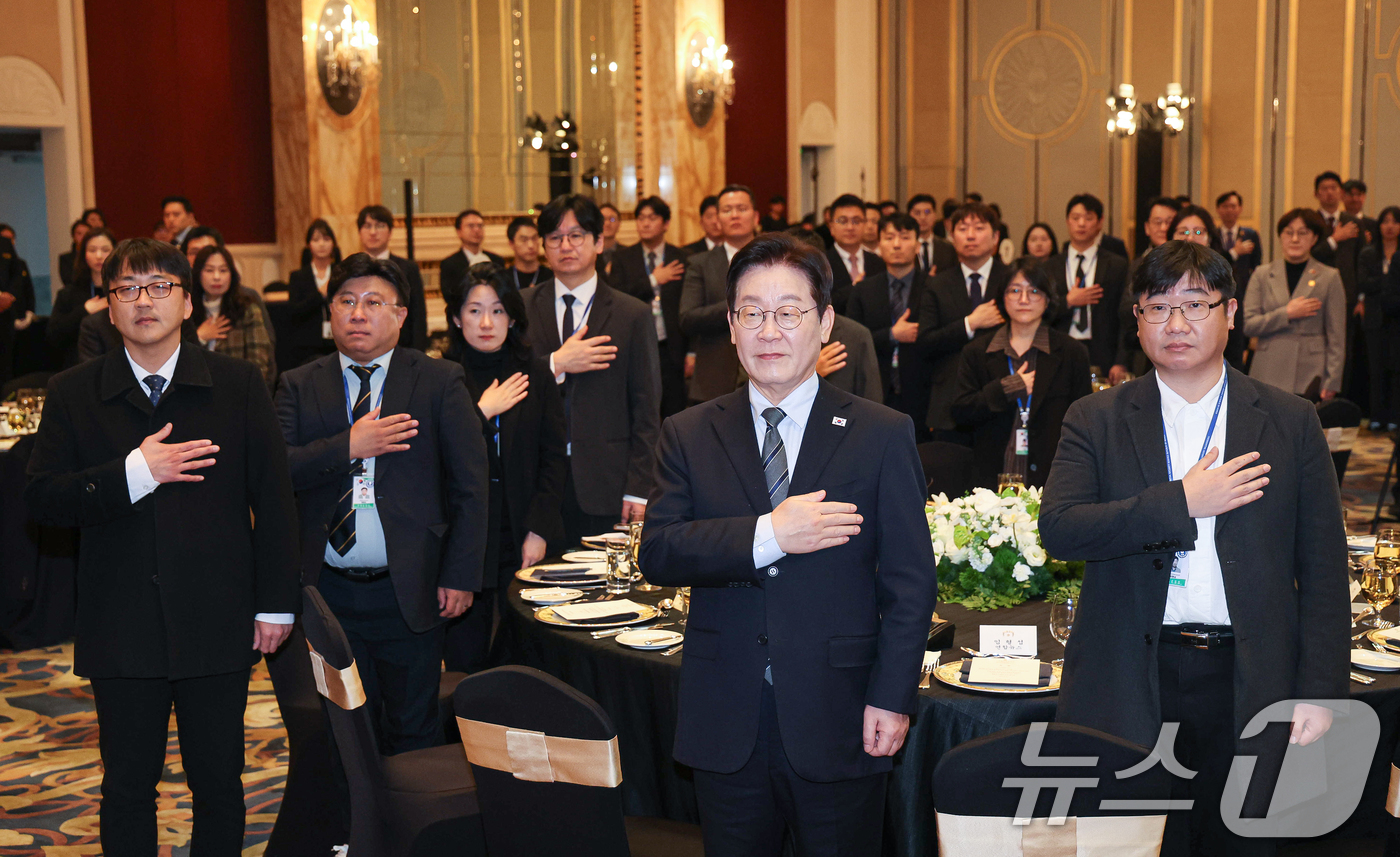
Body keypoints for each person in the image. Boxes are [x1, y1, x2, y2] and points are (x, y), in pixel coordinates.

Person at [1040, 239, 1347, 857]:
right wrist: (1182, 502)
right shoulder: (1095, 418)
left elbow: (1322, 569)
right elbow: (1063, 528)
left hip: (1250, 676)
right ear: (1137, 321)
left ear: (1231, 313)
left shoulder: (1288, 421)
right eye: (1157, 308)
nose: (1175, 324)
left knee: (1242, 841)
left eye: (1195, 305)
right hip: (1131, 675)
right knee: (1133, 844)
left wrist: (1320, 690)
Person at [639, 233, 937, 856]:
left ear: (825, 322)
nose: (769, 330)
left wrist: (891, 695)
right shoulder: (688, 432)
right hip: (727, 718)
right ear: (731, 326)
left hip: (843, 713)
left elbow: (910, 584)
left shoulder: (881, 434)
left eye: (788, 312)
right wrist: (769, 534)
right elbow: (660, 551)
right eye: (751, 313)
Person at [25, 237, 299, 857]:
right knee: (125, 788)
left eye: (157, 287)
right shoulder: (73, 391)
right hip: (119, 622)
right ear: (108, 305)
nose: (142, 301)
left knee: (220, 785)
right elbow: (41, 499)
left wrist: (277, 602)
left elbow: (275, 500)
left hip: (218, 616)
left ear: (187, 302)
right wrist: (133, 473)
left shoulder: (237, 383)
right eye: (126, 289)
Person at [275, 253, 488, 753]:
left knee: (413, 726)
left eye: (373, 302)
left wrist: (460, 574)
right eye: (346, 301)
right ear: (331, 312)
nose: (357, 313)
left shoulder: (439, 381)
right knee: (342, 731)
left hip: (409, 588)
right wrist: (346, 446)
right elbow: (275, 470)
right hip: (327, 593)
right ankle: (353, 831)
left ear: (401, 315)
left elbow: (472, 487)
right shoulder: (300, 384)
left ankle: (410, 832)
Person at [442, 267, 566, 672]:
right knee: (466, 662)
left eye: (496, 311)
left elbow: (552, 459)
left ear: (512, 317)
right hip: (464, 538)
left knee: (526, 658)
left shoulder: (533, 373)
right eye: (474, 310)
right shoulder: (440, 377)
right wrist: (481, 413)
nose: (485, 323)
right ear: (457, 318)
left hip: (521, 531)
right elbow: (434, 459)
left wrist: (539, 528)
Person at [519, 194, 661, 543]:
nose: (565, 245)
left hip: (606, 482)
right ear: (544, 247)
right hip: (534, 482)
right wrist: (557, 363)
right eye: (555, 237)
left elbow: (647, 409)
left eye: (577, 235)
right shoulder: (520, 308)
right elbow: (507, 383)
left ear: (599, 242)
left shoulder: (632, 314)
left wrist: (639, 489)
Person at [951, 257, 1089, 488]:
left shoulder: (1071, 353)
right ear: (1002, 299)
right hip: (990, 477)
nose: (1023, 299)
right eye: (1014, 290)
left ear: (1047, 299)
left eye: (1034, 291)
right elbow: (961, 412)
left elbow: (1085, 422)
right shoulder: (977, 351)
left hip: (1053, 477)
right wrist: (1006, 388)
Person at [916, 201, 1009, 440]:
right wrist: (970, 323)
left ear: (996, 236)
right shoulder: (937, 284)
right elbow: (925, 342)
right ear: (951, 236)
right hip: (950, 402)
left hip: (1003, 398)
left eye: (979, 228)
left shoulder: (1013, 281)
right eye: (963, 229)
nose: (970, 235)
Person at [1242, 208, 1346, 400]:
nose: (1295, 239)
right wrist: (1287, 313)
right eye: (1289, 232)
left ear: (1314, 238)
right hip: (1268, 369)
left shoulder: (1330, 277)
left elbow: (1337, 336)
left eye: (1303, 233)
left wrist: (1332, 380)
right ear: (1281, 236)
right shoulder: (1262, 274)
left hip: (1309, 371)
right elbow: (1249, 325)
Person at [846, 212, 933, 433]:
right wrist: (892, 334)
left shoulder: (934, 288)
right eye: (889, 237)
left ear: (917, 245)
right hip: (875, 391)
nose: (896, 244)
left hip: (923, 392)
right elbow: (852, 344)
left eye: (904, 237)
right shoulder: (863, 291)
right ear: (879, 244)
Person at [610, 196, 690, 417]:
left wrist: (691, 351)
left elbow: (688, 307)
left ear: (665, 224)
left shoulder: (682, 258)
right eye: (641, 218)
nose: (645, 223)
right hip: (635, 346)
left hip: (671, 348)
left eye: (652, 218)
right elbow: (617, 297)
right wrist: (653, 280)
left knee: (673, 411)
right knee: (642, 410)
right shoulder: (623, 258)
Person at [680, 184, 760, 403]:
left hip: (770, 375)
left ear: (755, 216)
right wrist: (737, 306)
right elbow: (687, 318)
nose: (734, 215)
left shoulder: (777, 259)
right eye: (726, 210)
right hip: (715, 382)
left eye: (741, 208)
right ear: (718, 220)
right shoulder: (700, 263)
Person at [1049, 194, 1131, 380]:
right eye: (1075, 218)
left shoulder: (1117, 265)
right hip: (1059, 350)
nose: (1081, 224)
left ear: (1100, 222)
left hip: (1103, 353)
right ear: (1067, 221)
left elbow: (1124, 317)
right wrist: (1068, 301)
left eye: (1088, 218)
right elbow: (1042, 312)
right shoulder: (1051, 266)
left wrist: (1121, 360)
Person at [190, 246, 276, 387]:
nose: (217, 277)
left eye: (223, 270)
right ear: (198, 273)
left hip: (237, 390)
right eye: (209, 270)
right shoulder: (187, 310)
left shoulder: (247, 309)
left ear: (232, 274)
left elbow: (259, 363)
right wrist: (199, 337)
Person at [356, 205, 429, 351]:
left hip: (402, 349)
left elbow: (418, 315)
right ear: (359, 232)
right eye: (367, 226)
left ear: (390, 232)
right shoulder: (351, 269)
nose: (373, 232)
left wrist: (417, 355)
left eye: (380, 226)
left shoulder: (407, 268)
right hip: (359, 349)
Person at [272, 218, 341, 370]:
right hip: (307, 347)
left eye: (326, 239)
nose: (321, 244)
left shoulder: (341, 273)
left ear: (333, 244)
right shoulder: (298, 276)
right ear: (309, 245)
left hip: (338, 342)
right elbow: (294, 311)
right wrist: (319, 294)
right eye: (316, 240)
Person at [48, 228, 116, 368]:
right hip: (79, 367)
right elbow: (52, 337)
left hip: (118, 364)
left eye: (105, 250)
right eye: (92, 250)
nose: (99, 256)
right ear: (84, 254)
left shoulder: (125, 291)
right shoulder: (68, 294)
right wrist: (84, 311)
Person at [1360, 206, 1400, 430]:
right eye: (1385, 221)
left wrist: (1382, 282)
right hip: (1374, 318)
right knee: (1376, 369)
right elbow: (1363, 283)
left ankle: (1394, 417)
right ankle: (1376, 417)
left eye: (1395, 221)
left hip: (1396, 319)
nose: (1390, 226)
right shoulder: (1369, 253)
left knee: (1396, 370)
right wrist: (1389, 280)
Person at [825, 194, 886, 315]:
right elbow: (820, 304)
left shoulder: (879, 262)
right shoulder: (821, 263)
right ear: (831, 227)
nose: (850, 227)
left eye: (856, 221)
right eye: (842, 221)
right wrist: (855, 288)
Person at [440, 209, 505, 297]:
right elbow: (449, 296)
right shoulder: (449, 264)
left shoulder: (497, 261)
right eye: (471, 226)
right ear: (458, 231)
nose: (476, 230)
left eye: (480, 226)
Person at [1215, 191, 1262, 280]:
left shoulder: (1250, 234)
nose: (1229, 210)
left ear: (1240, 209)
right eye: (1225, 206)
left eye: (1233, 206)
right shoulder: (1212, 235)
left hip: (1243, 286)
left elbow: (1256, 265)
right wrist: (1235, 252)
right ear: (1217, 209)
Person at [498, 215, 552, 291]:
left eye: (534, 238)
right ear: (511, 244)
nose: (531, 245)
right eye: (524, 240)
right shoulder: (503, 279)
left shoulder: (551, 277)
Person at [907, 193, 957, 275]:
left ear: (935, 215)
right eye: (917, 213)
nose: (923, 217)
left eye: (927, 212)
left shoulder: (948, 248)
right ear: (909, 216)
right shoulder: (905, 247)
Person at [1342, 179, 1378, 246]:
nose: (1354, 199)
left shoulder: (1374, 225)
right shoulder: (1337, 222)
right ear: (1342, 196)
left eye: (1359, 194)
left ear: (1364, 197)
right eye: (1350, 194)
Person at [58, 218, 89, 288]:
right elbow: (68, 281)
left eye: (86, 233)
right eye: (79, 234)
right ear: (73, 236)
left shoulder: (96, 257)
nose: (83, 237)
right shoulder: (65, 259)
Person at [598, 202, 623, 280]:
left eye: (612, 219)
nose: (607, 223)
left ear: (619, 224)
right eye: (602, 219)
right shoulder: (589, 254)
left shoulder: (628, 253)